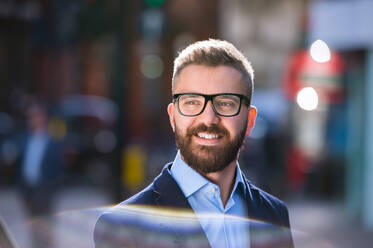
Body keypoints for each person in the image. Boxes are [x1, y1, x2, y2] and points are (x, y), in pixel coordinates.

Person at [94, 39, 294, 248]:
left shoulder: (275, 214)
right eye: (191, 102)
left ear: (250, 121)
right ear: (173, 117)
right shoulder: (121, 229)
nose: (208, 119)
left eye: (226, 103)